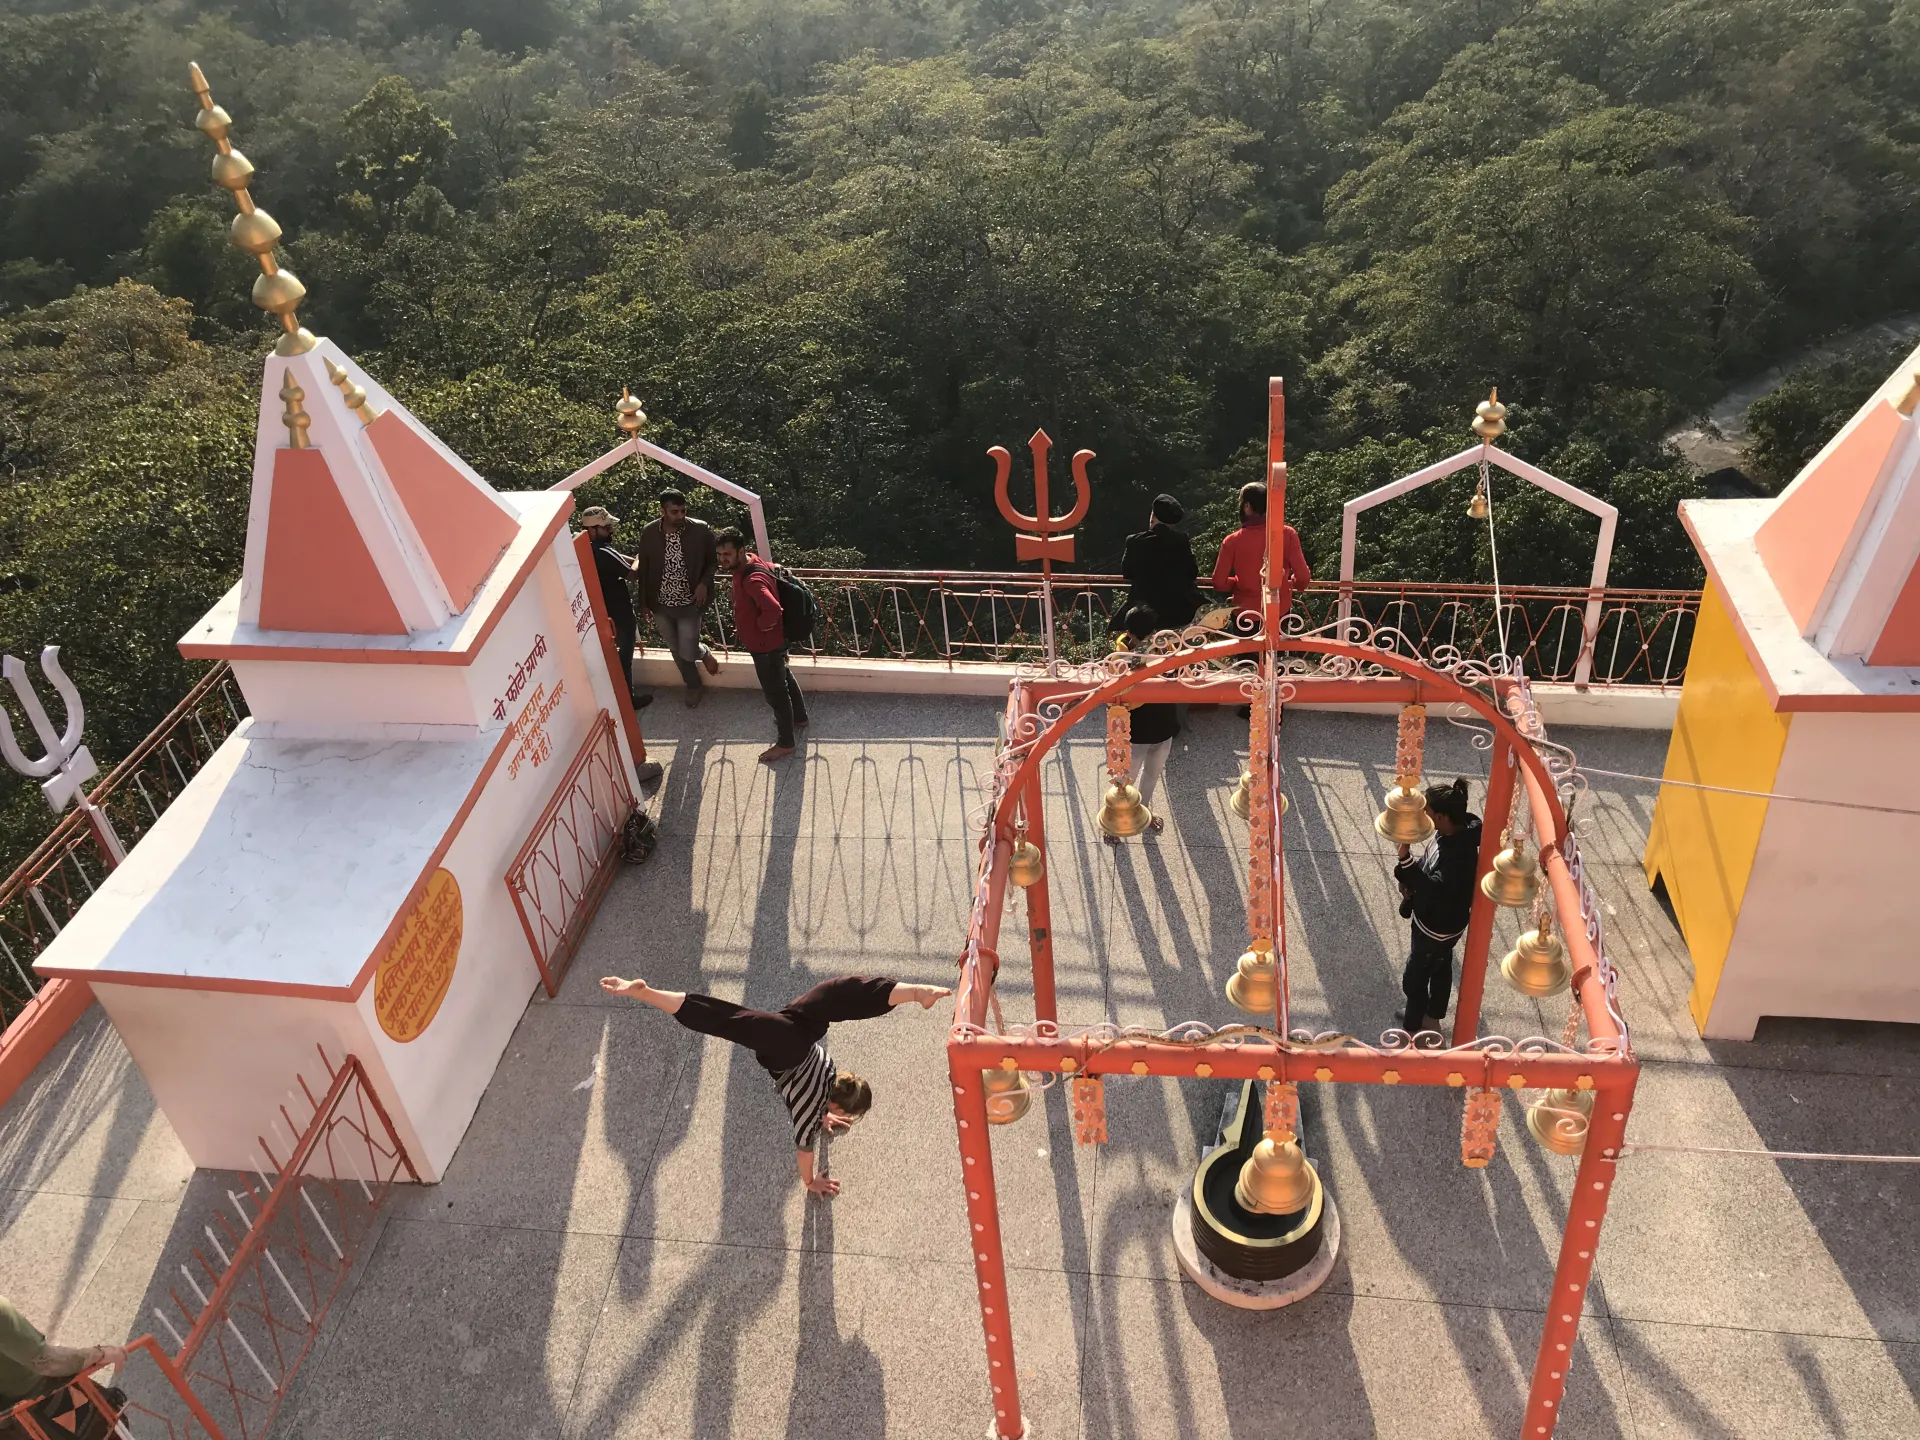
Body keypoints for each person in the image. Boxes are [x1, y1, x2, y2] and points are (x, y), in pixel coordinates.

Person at [599, 974, 952, 1197]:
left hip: (804, 1027)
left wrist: (824, 1118)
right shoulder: (810, 1109)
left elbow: (818, 1103)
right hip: (783, 1048)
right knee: (727, 1020)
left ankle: (915, 991)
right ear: (838, 1108)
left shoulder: (832, 1073)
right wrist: (810, 1181)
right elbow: (804, 1148)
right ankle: (646, 994)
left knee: (840, 992)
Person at [1212, 481, 1310, 716]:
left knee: (1249, 660)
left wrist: (1236, 583)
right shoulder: (1286, 534)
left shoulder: (1232, 540)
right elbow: (1304, 577)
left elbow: (1218, 582)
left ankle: (1253, 705)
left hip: (1245, 613)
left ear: (1247, 506)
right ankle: (1276, 704)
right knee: (1275, 657)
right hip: (1278, 610)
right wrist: (1290, 584)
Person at [1393, 778, 1482, 1035]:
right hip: (1448, 925)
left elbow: (1434, 888)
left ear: (1441, 817)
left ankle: (1412, 1025)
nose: (1423, 815)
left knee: (1416, 976)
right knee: (1440, 966)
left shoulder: (1457, 855)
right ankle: (1433, 1017)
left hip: (1434, 926)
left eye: (1427, 811)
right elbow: (1430, 869)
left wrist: (1405, 859)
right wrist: (1410, 874)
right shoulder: (1452, 834)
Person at [716, 527, 808, 764]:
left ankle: (785, 743)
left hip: (765, 645)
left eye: (727, 554)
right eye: (720, 554)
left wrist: (760, 627)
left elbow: (773, 609)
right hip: (773, 643)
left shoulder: (752, 578)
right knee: (784, 677)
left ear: (741, 551)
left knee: (776, 694)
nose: (722, 559)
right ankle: (800, 718)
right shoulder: (752, 562)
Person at [636, 488, 721, 708]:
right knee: (675, 647)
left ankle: (702, 653)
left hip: (690, 603)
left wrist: (703, 584)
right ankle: (693, 684)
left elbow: (714, 562)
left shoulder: (700, 530)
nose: (680, 516)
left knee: (688, 648)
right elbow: (644, 569)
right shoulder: (649, 532)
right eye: (675, 512)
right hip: (660, 603)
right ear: (662, 511)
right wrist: (644, 603)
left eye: (683, 511)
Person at [0, 1295, 127, 1427]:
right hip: (48, 1401)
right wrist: (100, 1354)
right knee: (107, 1429)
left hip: (11, 1426)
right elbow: (46, 1362)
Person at [1107, 605, 1175, 844]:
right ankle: (1113, 821)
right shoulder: (1118, 657)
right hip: (1135, 727)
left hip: (1164, 721)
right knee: (1125, 779)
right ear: (1129, 634)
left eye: (1151, 634)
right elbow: (1117, 692)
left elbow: (1175, 674)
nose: (1148, 640)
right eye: (1143, 636)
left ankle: (1142, 812)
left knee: (1153, 774)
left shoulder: (1164, 645)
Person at [579, 505, 653, 712]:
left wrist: (636, 560)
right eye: (606, 527)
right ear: (592, 530)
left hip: (608, 611)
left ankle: (620, 696)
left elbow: (620, 559)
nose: (610, 531)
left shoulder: (594, 548)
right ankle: (628, 699)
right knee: (624, 657)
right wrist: (640, 559)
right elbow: (632, 574)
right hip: (617, 613)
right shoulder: (600, 551)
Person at [1119, 494, 1203, 635]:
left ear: (1153, 516)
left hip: (1144, 616)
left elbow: (1127, 572)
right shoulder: (1181, 540)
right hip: (1178, 614)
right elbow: (1192, 572)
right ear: (1173, 522)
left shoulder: (1134, 541)